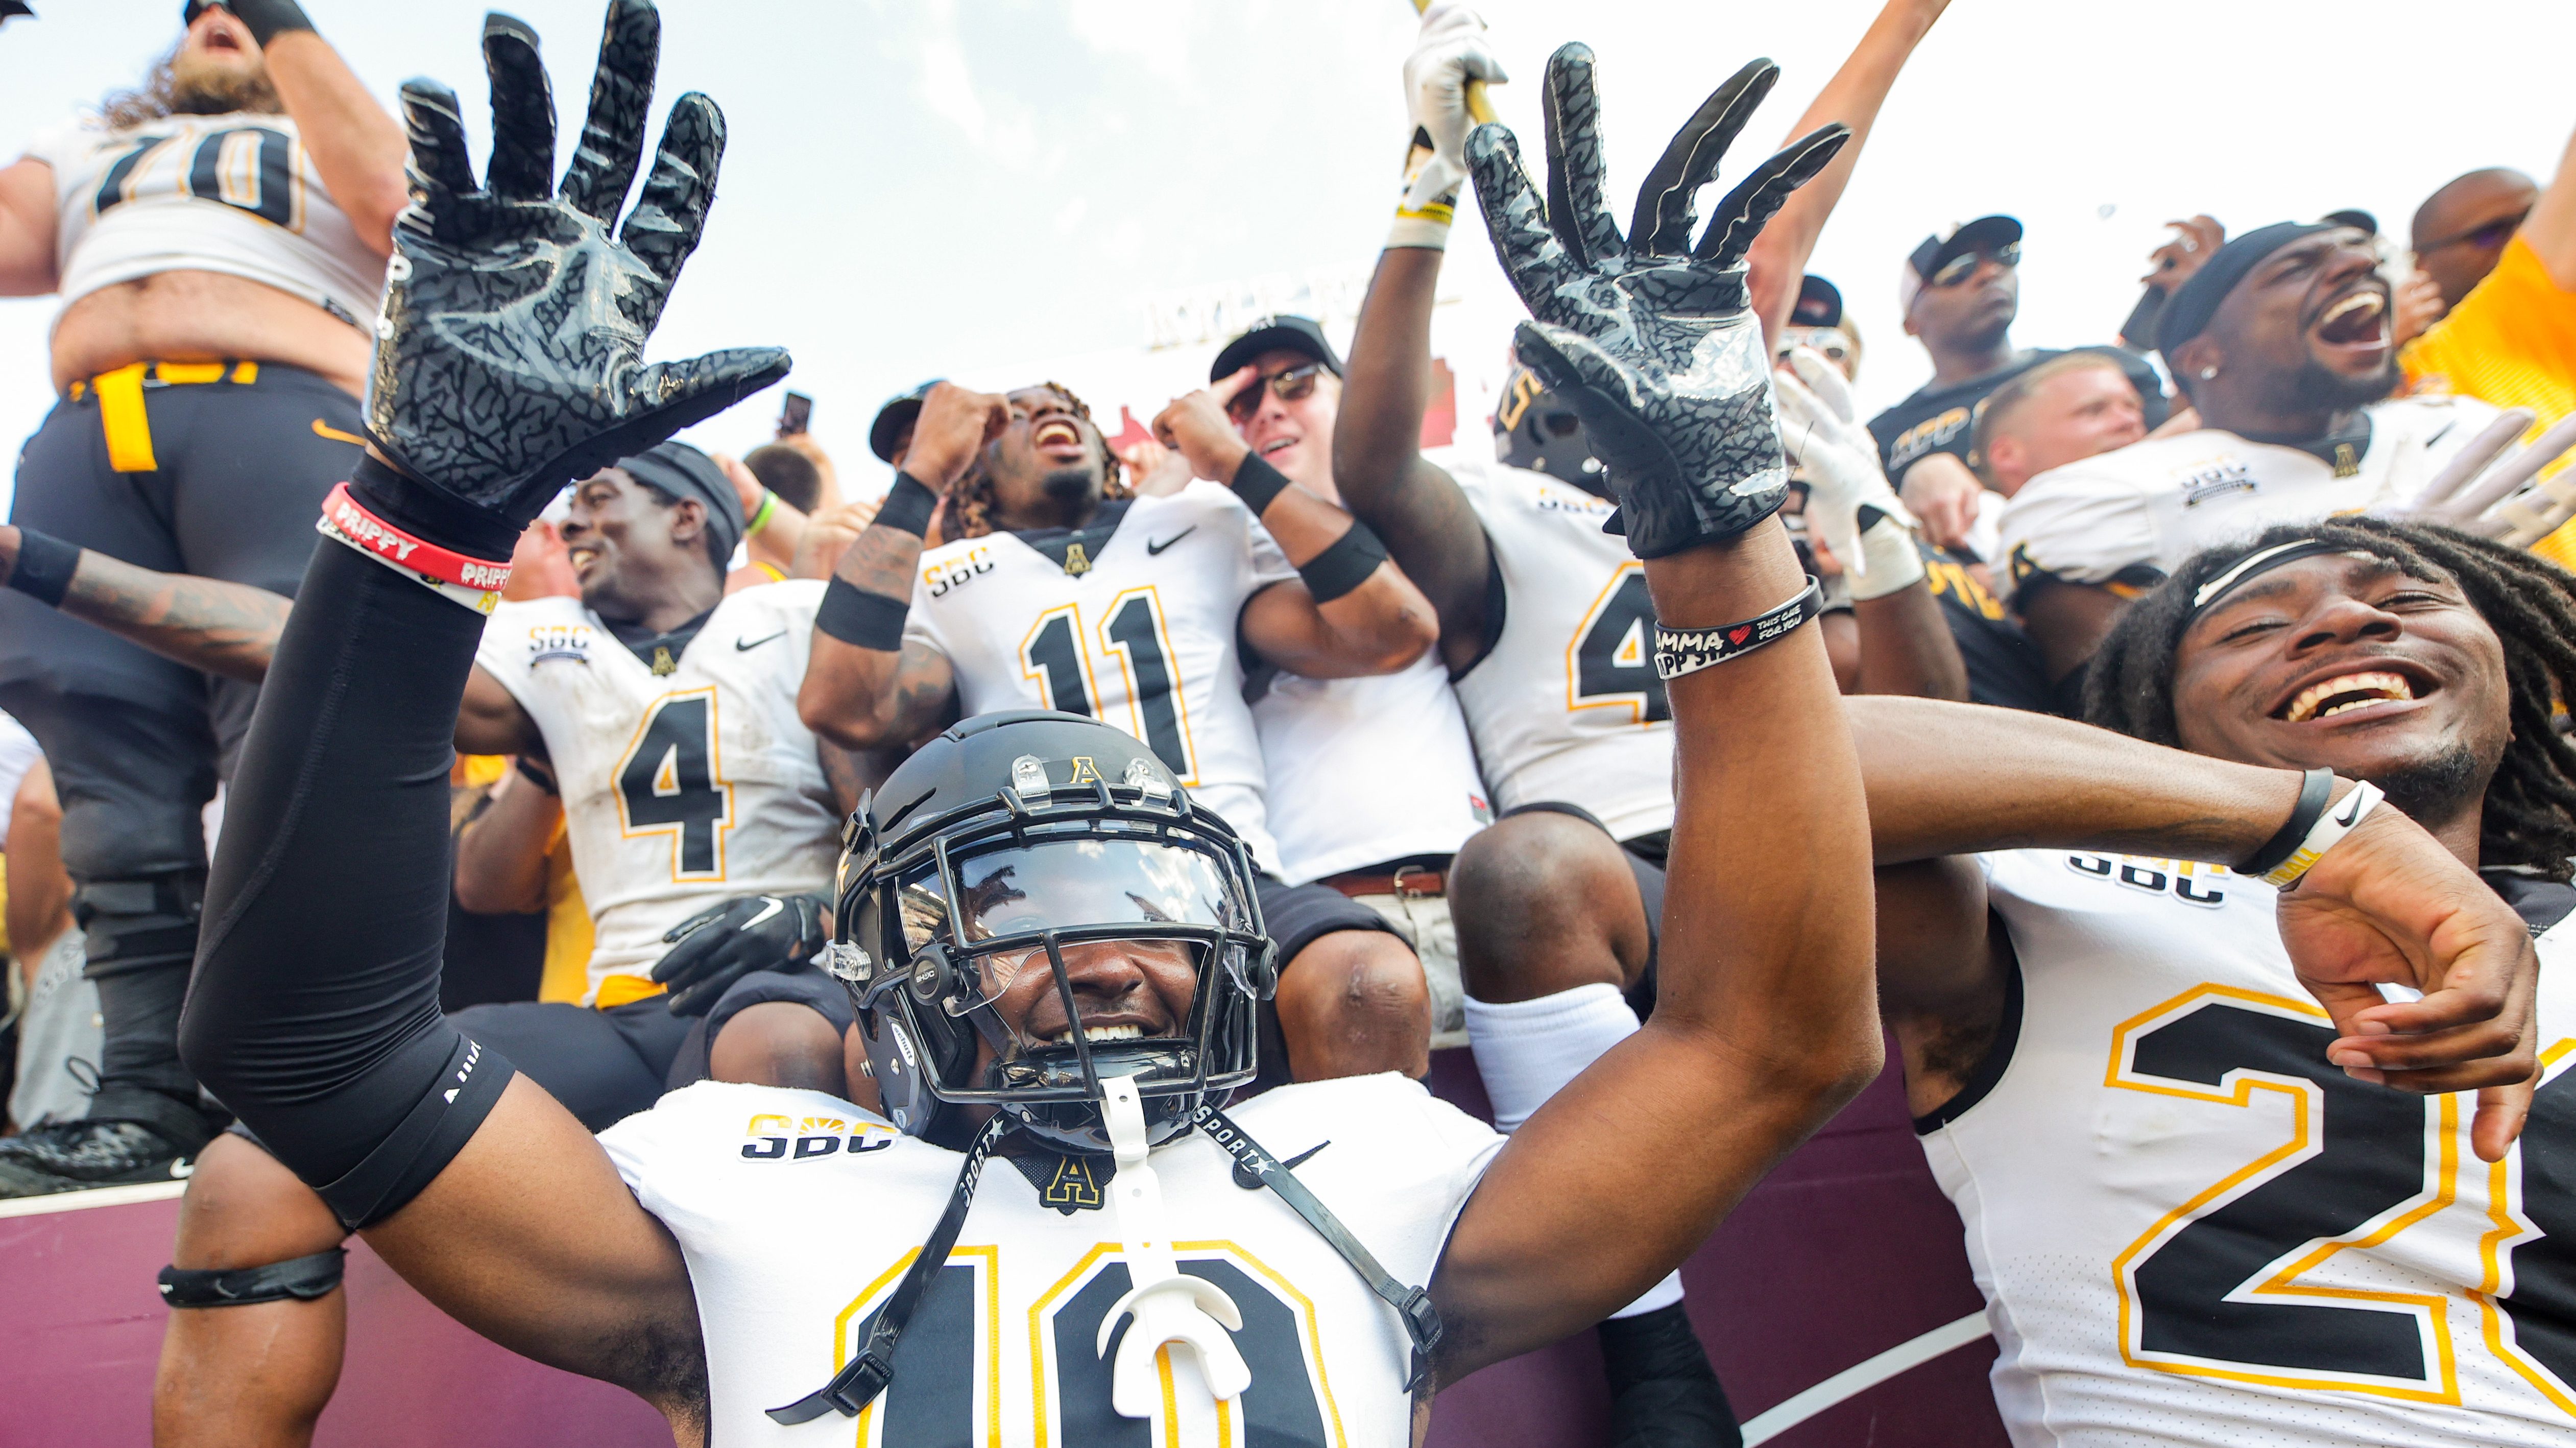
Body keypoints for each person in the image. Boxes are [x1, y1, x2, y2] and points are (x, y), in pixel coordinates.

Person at [171, 11, 1899, 1440]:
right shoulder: (749, 1200)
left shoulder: (1369, 1164)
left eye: (1140, 901)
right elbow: (309, 1056)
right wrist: (421, 516)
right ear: (895, 956)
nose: (1100, 949)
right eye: (1013, 908)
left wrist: (1716, 516)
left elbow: (1774, 1039)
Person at [1336, 21, 1923, 1439]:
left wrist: (1878, 531)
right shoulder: (1502, 520)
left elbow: (1923, 729)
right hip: (1632, 875)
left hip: (1823, 854)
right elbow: (1367, 461)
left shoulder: (1750, 501)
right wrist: (1424, 188)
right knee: (1527, 868)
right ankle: (1653, 1349)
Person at [1866, 515, 2572, 1444]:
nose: (2344, 622)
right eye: (2250, 630)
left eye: (2405, 600)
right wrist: (2316, 829)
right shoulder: (2046, 893)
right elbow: (1787, 769)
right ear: (2161, 724)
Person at [0, 0, 408, 1193]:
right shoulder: (86, 148)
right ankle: (141, 1090)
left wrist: (280, 22)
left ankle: (301, 1077)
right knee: (104, 765)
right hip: (87, 431)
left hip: (287, 411)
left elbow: (398, 204)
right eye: (193, 12)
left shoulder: (322, 130)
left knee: (299, 726)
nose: (211, 15)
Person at [798, 368, 1444, 1085]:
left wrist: (1232, 461)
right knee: (895, 1051)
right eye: (1018, 414)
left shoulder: (1198, 527)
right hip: (1031, 885)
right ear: (973, 467)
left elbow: (1395, 627)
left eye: (1068, 407)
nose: (1050, 414)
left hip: (1221, 867)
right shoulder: (943, 576)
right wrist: (922, 473)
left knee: (1368, 979)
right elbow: (841, 704)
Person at [2000, 222, 2526, 693]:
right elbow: (2113, 716)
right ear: (2201, 356)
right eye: (2295, 270)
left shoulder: (2460, 425)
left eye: (2356, 252)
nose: (2359, 264)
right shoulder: (2102, 494)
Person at [1211, 311, 1490, 1045]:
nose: (1268, 407)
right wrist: (1200, 458)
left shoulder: (1438, 510)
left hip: (1489, 904)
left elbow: (1397, 628)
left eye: (1297, 382)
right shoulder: (1211, 554)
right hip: (1324, 935)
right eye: (1242, 402)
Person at [1866, 215, 2168, 486]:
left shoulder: (2100, 369)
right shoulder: (1879, 440)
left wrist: (2195, 310)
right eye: (1959, 270)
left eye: (2004, 256)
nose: (1990, 273)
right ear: (1911, 322)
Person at [2401, 121, 2576, 566]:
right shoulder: (2398, 371)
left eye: (2532, 216)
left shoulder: (2542, 319)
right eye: (2491, 232)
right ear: (2421, 262)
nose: (2523, 239)